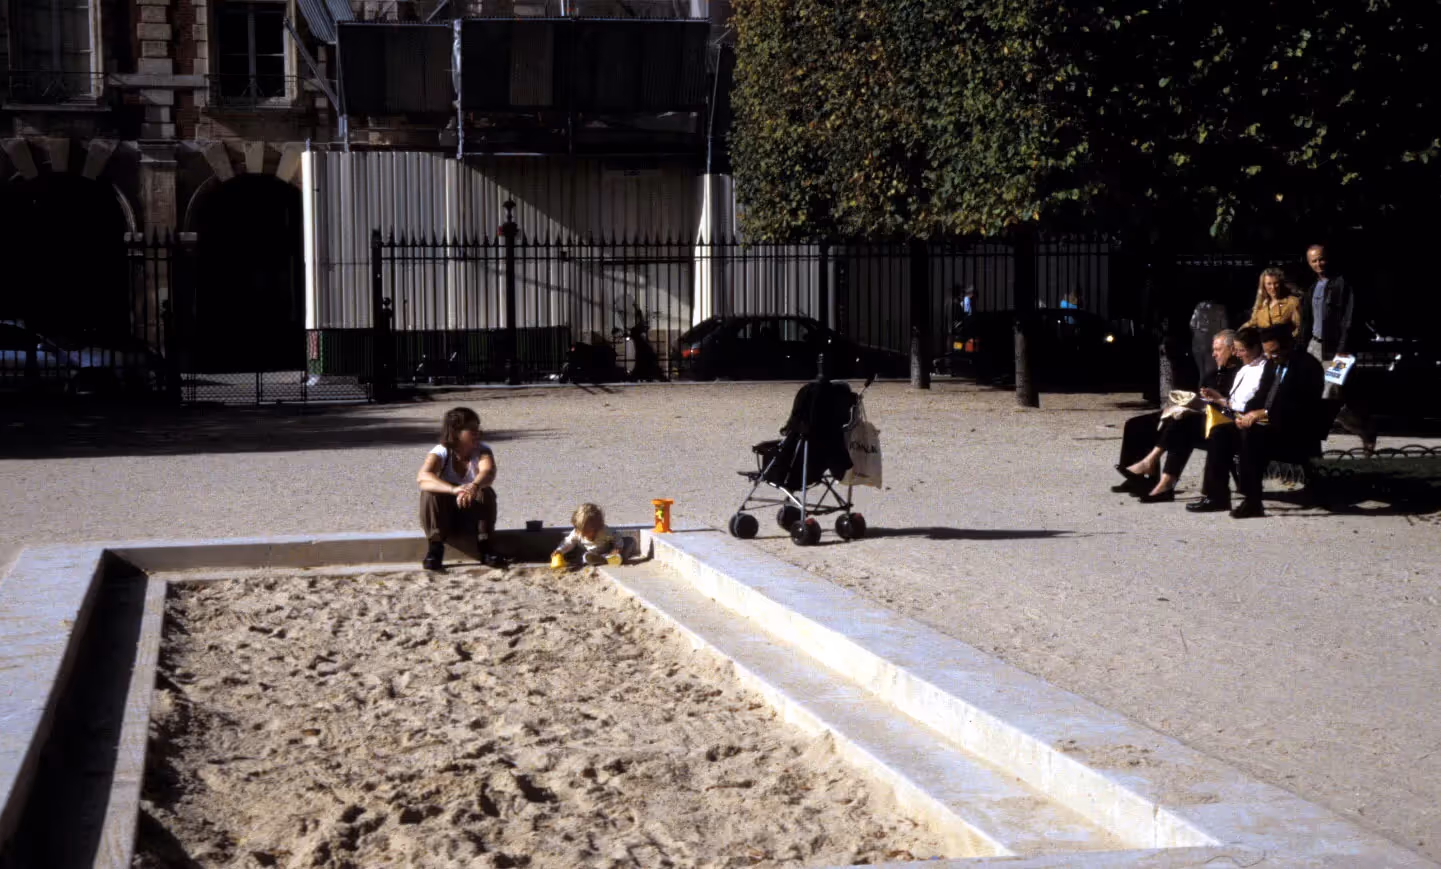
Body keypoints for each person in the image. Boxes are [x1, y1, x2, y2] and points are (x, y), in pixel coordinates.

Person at [1192, 326, 1324, 518]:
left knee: (1253, 435)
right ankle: (1216, 495)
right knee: (1222, 432)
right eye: (1268, 352)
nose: (1271, 357)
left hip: (1292, 429)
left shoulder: (1307, 366)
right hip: (1267, 423)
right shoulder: (1272, 363)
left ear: (1290, 346)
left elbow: (1302, 405)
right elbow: (1261, 395)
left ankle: (1252, 500)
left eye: (1276, 352)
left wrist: (1263, 413)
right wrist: (1248, 413)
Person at [1115, 329, 1244, 502]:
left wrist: (1211, 400)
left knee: (1178, 424)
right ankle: (1137, 477)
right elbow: (1201, 396)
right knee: (1136, 424)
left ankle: (1155, 475)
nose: (1213, 354)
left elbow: (1233, 405)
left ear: (1233, 349)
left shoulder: (1240, 373)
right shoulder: (1213, 373)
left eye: (1218, 350)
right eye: (1213, 349)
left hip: (1216, 420)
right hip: (1198, 412)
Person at [1299, 244, 1376, 453]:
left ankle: (1364, 429)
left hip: (1338, 350)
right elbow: (1307, 320)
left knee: (1331, 395)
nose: (1318, 264)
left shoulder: (1343, 284)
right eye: (1314, 261)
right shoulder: (1313, 287)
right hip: (1314, 346)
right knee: (1314, 395)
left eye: (1321, 259)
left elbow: (1350, 318)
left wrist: (1344, 347)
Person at [416, 407, 506, 571]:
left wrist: (473, 486)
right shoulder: (441, 452)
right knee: (429, 492)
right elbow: (423, 477)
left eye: (478, 428)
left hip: (472, 515)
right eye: (472, 430)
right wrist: (453, 490)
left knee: (485, 491)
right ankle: (435, 549)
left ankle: (485, 547)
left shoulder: (483, 450)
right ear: (456, 432)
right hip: (445, 517)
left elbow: (488, 472)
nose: (477, 433)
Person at [553, 503, 638, 567]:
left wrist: (618, 547)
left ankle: (612, 558)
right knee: (584, 556)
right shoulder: (577, 532)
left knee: (630, 541)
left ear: (597, 528)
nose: (583, 534)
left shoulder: (604, 531)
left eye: (586, 532)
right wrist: (560, 550)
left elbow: (617, 537)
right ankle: (602, 560)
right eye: (581, 531)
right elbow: (568, 542)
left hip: (609, 551)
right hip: (592, 554)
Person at [1241, 267, 1302, 339]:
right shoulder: (1261, 304)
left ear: (1281, 283)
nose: (1273, 287)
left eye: (1276, 283)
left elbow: (1300, 327)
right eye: (1269, 284)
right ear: (1263, 285)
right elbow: (1252, 323)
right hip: (1264, 347)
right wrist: (1238, 333)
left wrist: (1288, 340)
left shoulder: (1292, 302)